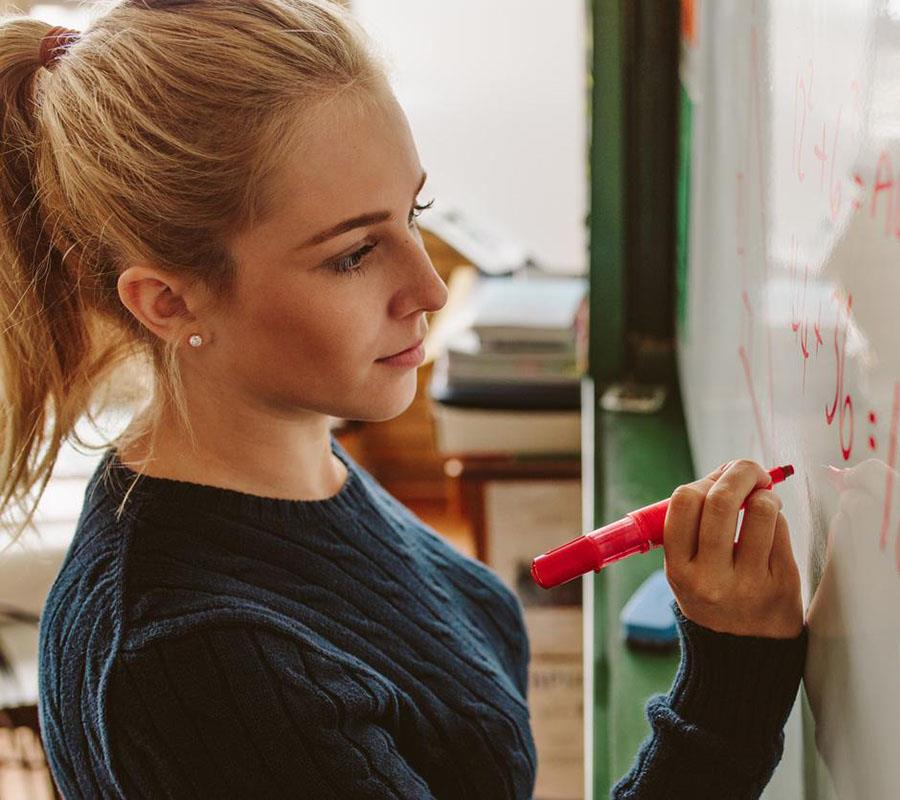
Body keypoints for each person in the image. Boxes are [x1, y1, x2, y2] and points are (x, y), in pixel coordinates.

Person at [0, 2, 808, 797]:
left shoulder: (292, 457)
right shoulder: (196, 660)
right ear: (168, 302)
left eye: (412, 213)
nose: (426, 287)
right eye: (353, 255)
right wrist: (731, 686)